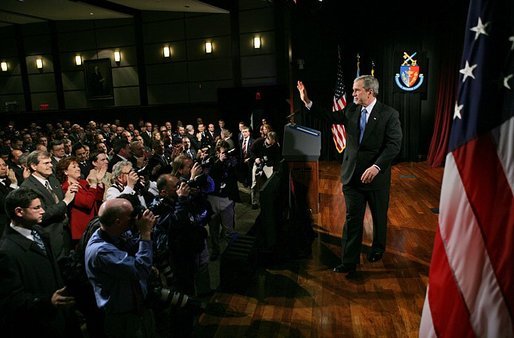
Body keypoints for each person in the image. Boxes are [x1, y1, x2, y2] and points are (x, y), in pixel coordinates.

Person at [297, 75, 402, 275]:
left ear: (369, 92)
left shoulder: (389, 114)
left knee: (379, 217)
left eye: (356, 90)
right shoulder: (352, 109)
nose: (352, 93)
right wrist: (307, 102)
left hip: (376, 179)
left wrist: (377, 167)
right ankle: (349, 261)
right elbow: (330, 117)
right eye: (353, 90)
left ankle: (378, 248)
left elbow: (394, 146)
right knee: (352, 218)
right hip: (352, 176)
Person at [0, 188, 81, 338]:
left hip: (61, 317)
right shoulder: (6, 252)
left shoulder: (39, 232)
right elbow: (11, 300)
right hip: (39, 324)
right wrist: (47, 301)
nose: (43, 211)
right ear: (19, 211)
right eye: (36, 208)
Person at [84, 198, 157, 338]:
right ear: (118, 222)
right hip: (122, 317)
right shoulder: (101, 251)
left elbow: (130, 246)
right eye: (131, 217)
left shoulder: (112, 233)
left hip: (136, 306)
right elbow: (140, 269)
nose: (134, 219)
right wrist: (145, 234)